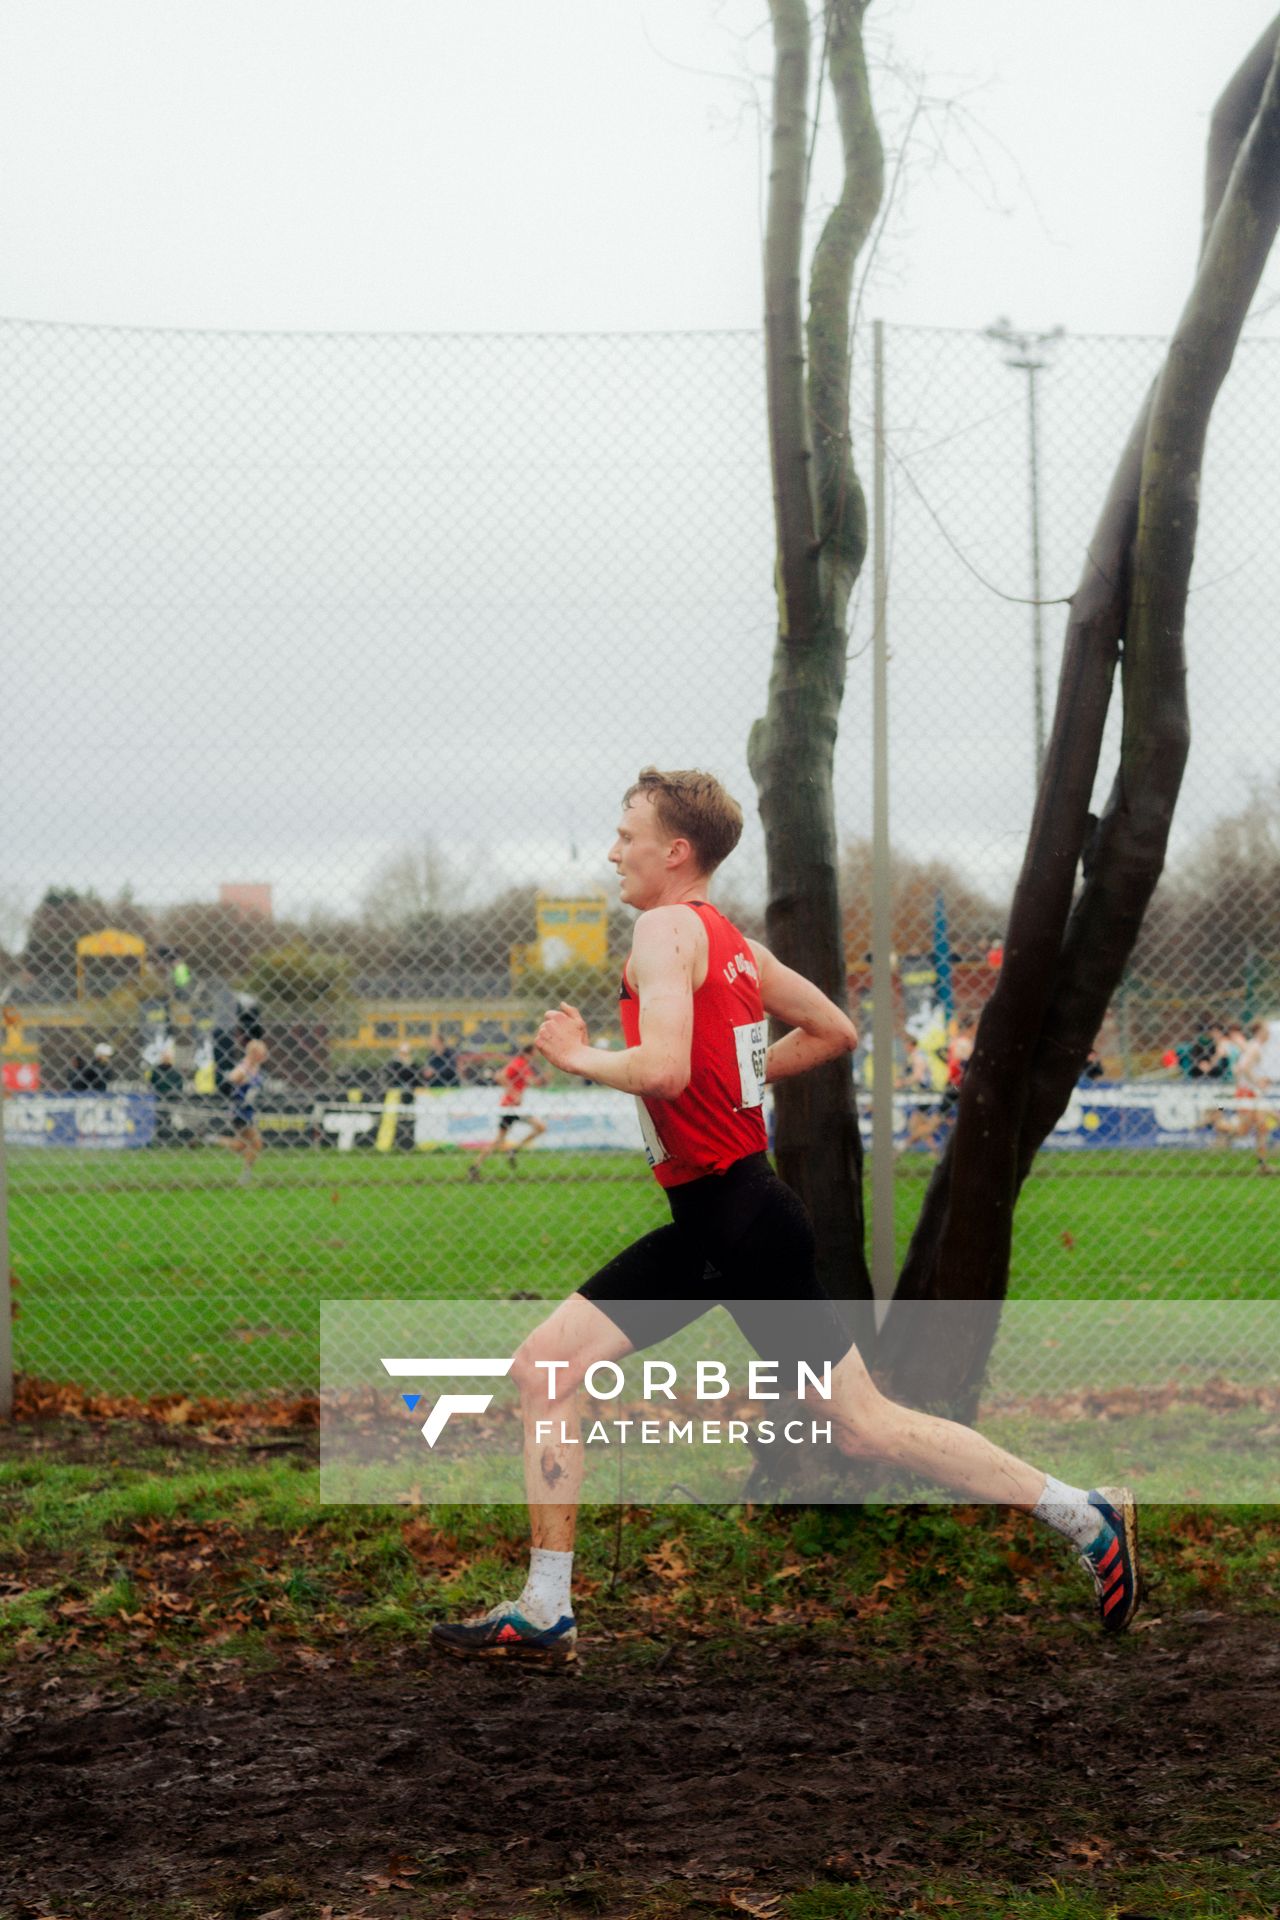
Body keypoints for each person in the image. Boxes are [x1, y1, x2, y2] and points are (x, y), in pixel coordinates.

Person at [432, 767, 1141, 1665]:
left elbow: (662, 1072)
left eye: (627, 835)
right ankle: (545, 1608)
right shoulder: (733, 945)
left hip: (735, 1226)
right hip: (730, 1221)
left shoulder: (660, 931)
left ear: (676, 851)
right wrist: (741, 1080)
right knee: (548, 1370)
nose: (614, 852)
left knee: (864, 1425)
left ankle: (1088, 1515)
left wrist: (578, 1055)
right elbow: (835, 1030)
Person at [466, 1039, 547, 1179]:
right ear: (531, 1052)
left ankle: (476, 1165)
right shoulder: (518, 1063)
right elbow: (500, 1076)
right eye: (536, 1051)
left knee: (499, 1140)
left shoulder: (525, 1065)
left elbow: (531, 1082)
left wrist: (543, 1079)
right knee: (540, 1127)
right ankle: (512, 1151)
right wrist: (514, 1093)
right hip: (510, 1107)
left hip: (515, 1108)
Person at [1214, 1018, 1273, 1172]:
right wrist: (1257, 1081)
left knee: (1262, 1127)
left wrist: (1261, 1080)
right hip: (1247, 1092)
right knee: (1243, 1130)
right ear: (1260, 1031)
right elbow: (1243, 1068)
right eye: (1266, 1030)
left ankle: (1263, 1164)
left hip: (1251, 1092)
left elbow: (1242, 1068)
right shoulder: (1254, 1047)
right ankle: (1218, 1122)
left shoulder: (1255, 1046)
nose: (1269, 1033)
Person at [218, 1038, 268, 1187]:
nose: (264, 1056)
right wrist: (240, 1082)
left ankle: (211, 1139)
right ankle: (245, 1178)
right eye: (261, 1053)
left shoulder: (255, 1067)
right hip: (240, 1112)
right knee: (256, 1144)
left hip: (248, 1112)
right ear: (253, 1053)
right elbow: (230, 1082)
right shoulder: (244, 1068)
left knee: (243, 1146)